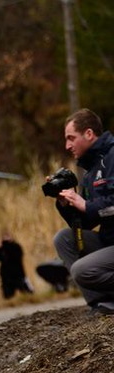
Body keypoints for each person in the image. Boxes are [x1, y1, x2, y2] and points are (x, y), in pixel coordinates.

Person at [52, 108, 114, 315]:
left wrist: (86, 205)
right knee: (64, 238)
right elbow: (86, 223)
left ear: (88, 134)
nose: (67, 145)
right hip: (109, 241)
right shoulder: (91, 170)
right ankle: (101, 303)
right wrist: (65, 204)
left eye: (71, 138)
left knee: (82, 270)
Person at [0, 233, 33, 299]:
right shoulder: (1, 249)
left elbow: (18, 256)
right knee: (8, 296)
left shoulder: (15, 247)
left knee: (27, 293)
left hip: (18, 275)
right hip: (7, 276)